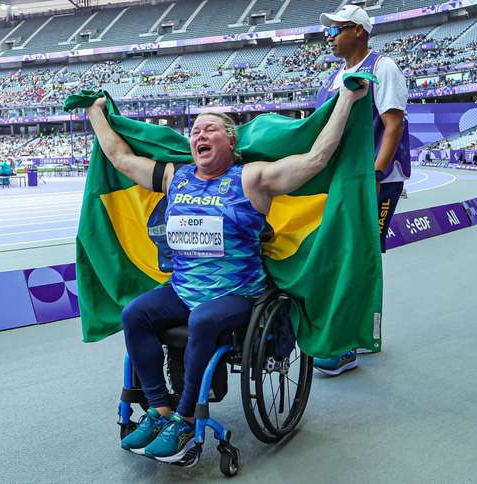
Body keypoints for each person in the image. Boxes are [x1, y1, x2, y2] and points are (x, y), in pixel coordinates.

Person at [86, 81, 367, 460]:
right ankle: (159, 409)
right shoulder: (175, 177)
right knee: (135, 314)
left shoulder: (251, 178)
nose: (200, 134)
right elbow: (120, 158)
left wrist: (347, 100)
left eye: (210, 128)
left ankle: (185, 419)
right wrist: (95, 115)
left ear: (231, 142)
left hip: (238, 295)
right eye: (195, 130)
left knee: (203, 320)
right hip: (184, 289)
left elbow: (316, 159)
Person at [314, 4, 410, 375]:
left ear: (358, 30)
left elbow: (393, 125)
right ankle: (363, 333)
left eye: (336, 30)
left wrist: (376, 172)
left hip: (373, 180)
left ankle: (347, 344)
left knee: (356, 255)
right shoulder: (337, 75)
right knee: (355, 254)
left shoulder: (383, 67)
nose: (330, 37)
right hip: (343, 179)